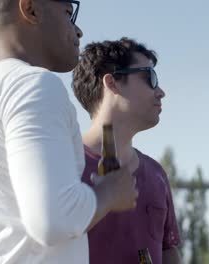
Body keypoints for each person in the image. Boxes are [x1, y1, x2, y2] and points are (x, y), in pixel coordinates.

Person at [0, 1, 138, 263]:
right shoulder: (31, 85)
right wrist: (110, 192)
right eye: (68, 14)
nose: (79, 30)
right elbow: (53, 219)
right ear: (31, 9)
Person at [72, 37, 182, 264]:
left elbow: (168, 250)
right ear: (112, 83)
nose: (161, 92)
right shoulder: (64, 165)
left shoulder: (156, 174)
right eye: (150, 78)